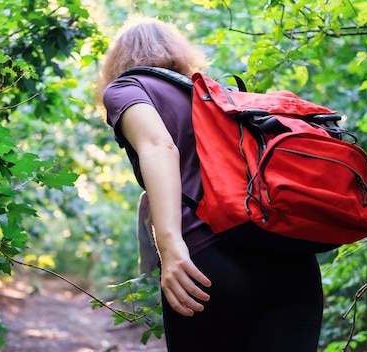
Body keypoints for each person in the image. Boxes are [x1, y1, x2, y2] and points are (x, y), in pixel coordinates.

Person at [99, 15, 324, 351]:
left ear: (118, 61)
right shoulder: (221, 98)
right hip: (293, 264)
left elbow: (160, 147)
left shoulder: (126, 88)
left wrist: (171, 248)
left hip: (209, 266)